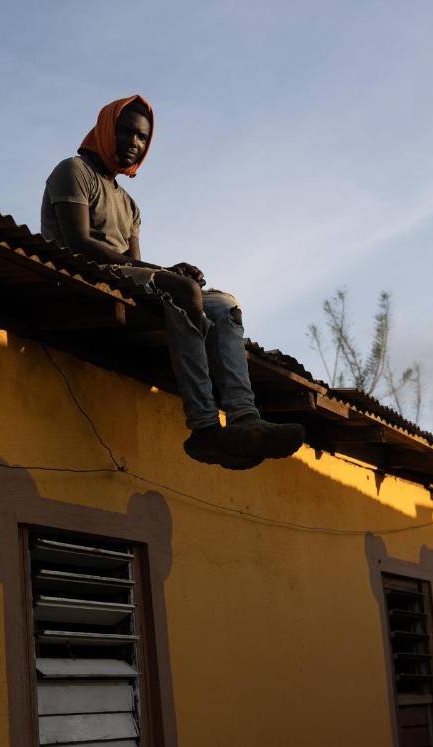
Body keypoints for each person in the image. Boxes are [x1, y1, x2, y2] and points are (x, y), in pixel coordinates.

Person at [41, 96, 305, 470]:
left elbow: (135, 265)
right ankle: (204, 426)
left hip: (123, 277)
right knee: (183, 290)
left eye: (142, 137)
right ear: (105, 129)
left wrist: (170, 272)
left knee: (224, 304)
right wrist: (168, 275)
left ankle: (244, 417)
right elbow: (78, 242)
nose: (134, 143)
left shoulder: (130, 205)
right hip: (83, 272)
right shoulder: (74, 171)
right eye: (126, 132)